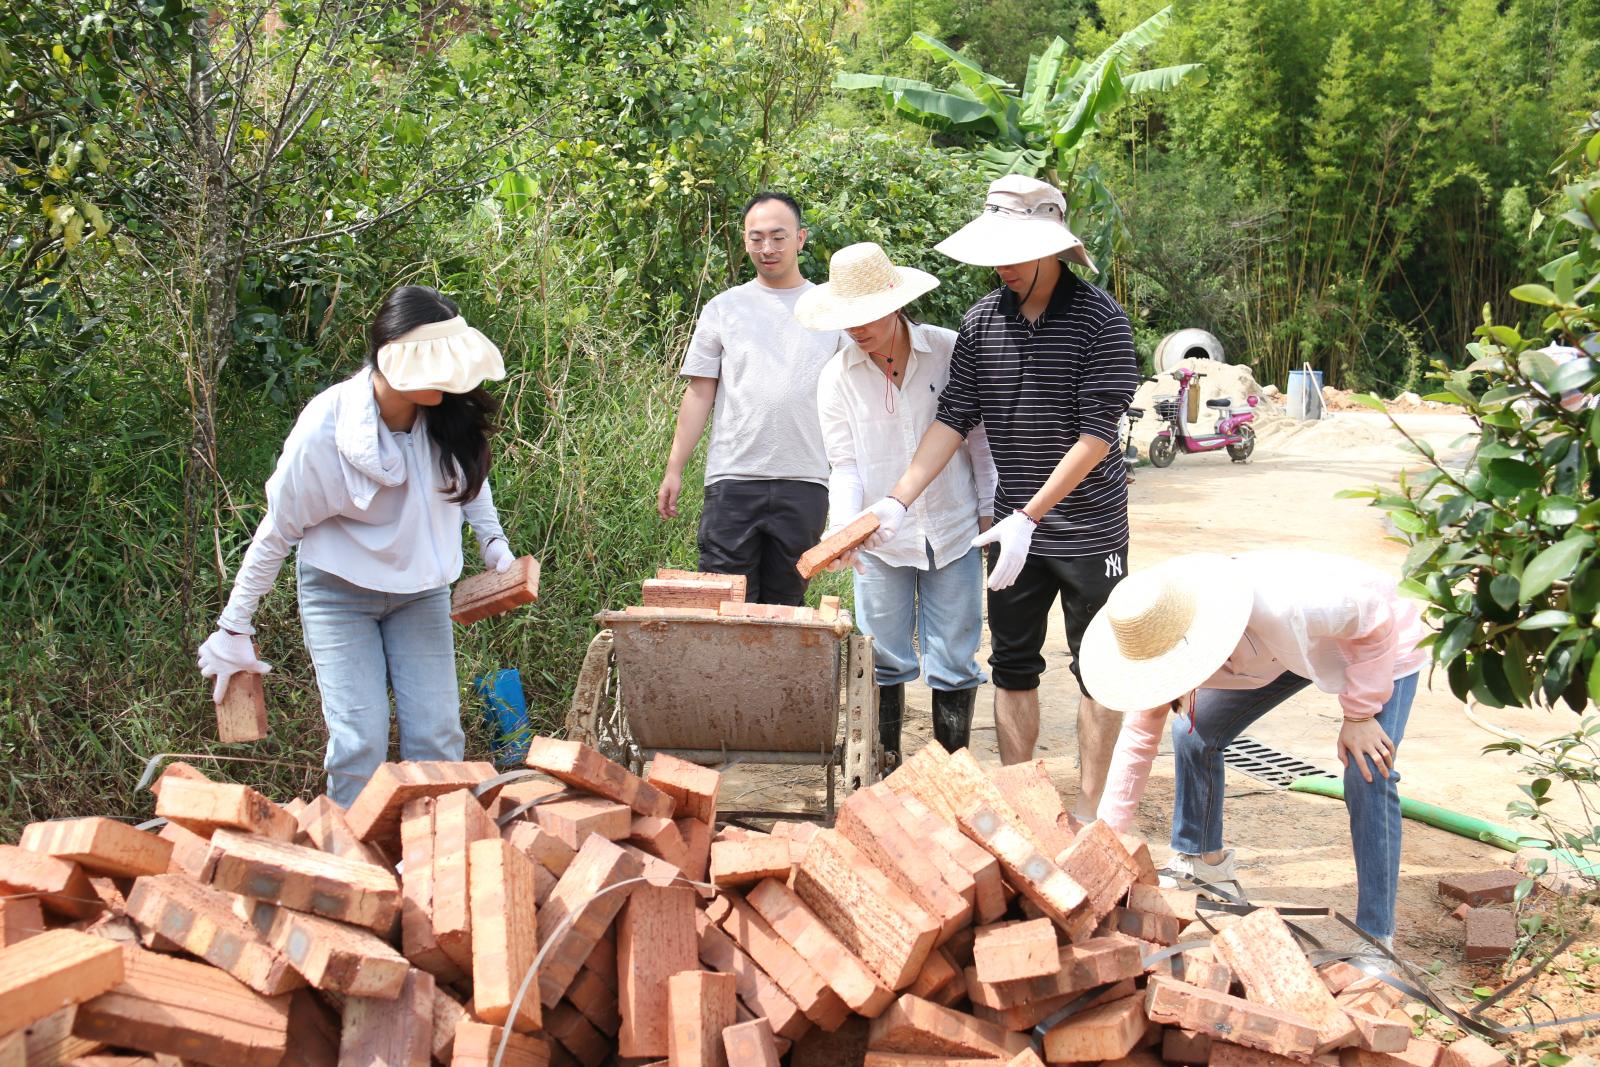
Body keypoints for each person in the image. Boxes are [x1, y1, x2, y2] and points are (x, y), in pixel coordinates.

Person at [855, 176, 1138, 819]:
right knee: (1012, 663)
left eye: (1015, 253)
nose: (1002, 268)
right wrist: (897, 501)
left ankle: (1089, 809)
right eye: (994, 255)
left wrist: (1029, 517)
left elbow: (1097, 435)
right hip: (1013, 532)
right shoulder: (983, 321)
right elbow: (954, 417)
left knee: (1098, 666)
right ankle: (1023, 800)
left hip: (1088, 529)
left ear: (1051, 246)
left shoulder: (1101, 321)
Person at [197, 286, 517, 806]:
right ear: (392, 358)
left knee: (437, 737)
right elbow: (278, 529)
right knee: (359, 742)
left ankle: (436, 846)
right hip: (339, 595)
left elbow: (469, 479)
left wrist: (493, 543)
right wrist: (235, 625)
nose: (449, 379)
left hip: (421, 593)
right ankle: (353, 850)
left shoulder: (443, 414)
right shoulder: (325, 428)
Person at [1081, 550, 1428, 946]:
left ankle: (1376, 937)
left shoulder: (1284, 605)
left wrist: (1360, 716)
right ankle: (1205, 863)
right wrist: (1106, 841)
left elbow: (1376, 620)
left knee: (1366, 769)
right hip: (1280, 651)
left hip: (1378, 643)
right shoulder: (1162, 646)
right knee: (1195, 732)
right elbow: (1138, 741)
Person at [795, 242, 998, 761]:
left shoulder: (949, 350)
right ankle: (885, 769)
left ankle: (951, 771)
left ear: (896, 303)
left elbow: (978, 440)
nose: (857, 329)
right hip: (881, 539)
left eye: (866, 315)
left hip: (953, 528)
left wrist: (987, 512)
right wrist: (844, 530)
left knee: (955, 658)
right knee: (882, 657)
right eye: (847, 318)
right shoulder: (837, 377)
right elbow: (845, 466)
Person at [656, 192, 842, 605]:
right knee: (724, 604)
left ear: (800, 238)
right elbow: (700, 390)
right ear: (745, 241)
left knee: (785, 606)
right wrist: (674, 469)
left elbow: (853, 395)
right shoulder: (724, 308)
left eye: (778, 237)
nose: (767, 248)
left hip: (806, 480)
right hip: (733, 479)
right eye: (756, 238)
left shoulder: (831, 309)